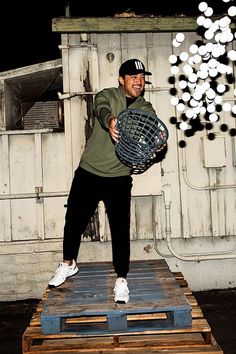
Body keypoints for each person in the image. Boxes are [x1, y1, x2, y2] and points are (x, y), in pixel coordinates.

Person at [48, 58, 156, 304]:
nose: (139, 82)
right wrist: (110, 121)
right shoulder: (107, 95)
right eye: (133, 77)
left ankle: (121, 280)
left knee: (120, 230)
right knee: (74, 220)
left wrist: (154, 143)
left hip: (119, 177)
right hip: (89, 171)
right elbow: (101, 108)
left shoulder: (145, 108)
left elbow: (152, 130)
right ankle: (68, 264)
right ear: (122, 79)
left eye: (142, 78)